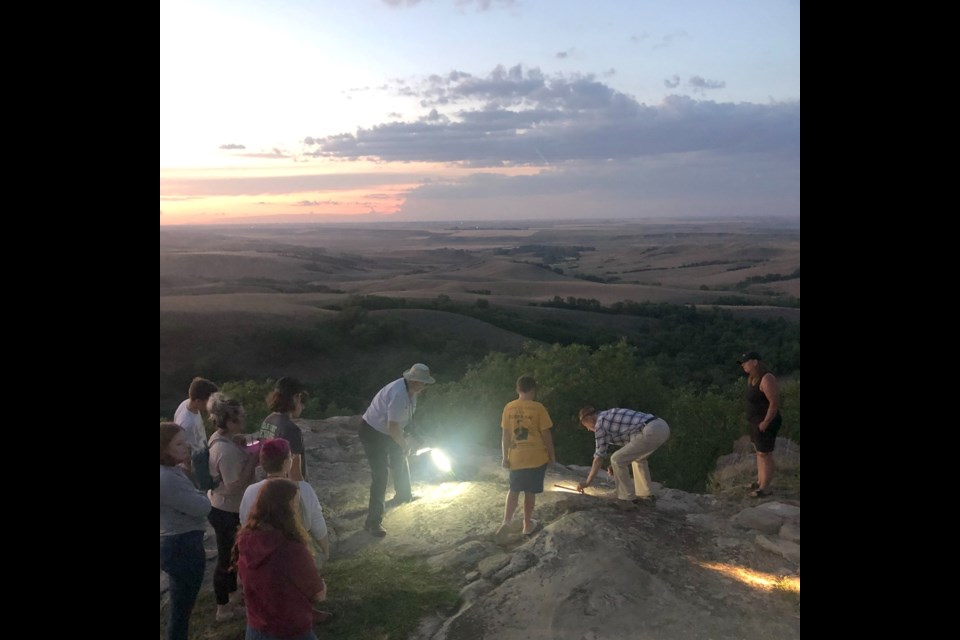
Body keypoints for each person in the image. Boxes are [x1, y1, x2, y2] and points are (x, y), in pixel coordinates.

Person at [234, 478, 328, 640]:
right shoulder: (292, 549)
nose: (298, 511)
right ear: (288, 508)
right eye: (297, 505)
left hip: (256, 630)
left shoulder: (245, 540)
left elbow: (241, 582)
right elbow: (317, 593)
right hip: (290, 629)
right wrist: (323, 586)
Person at [359, 363, 435, 537]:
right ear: (415, 381)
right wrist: (405, 444)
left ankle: (403, 494)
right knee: (381, 474)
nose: (425, 386)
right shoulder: (399, 394)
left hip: (387, 431)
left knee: (400, 458)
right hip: (372, 432)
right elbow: (393, 427)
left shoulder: (411, 392)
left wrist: (417, 438)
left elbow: (406, 420)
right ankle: (372, 522)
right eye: (423, 383)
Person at [207, 392, 259, 622]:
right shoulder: (225, 451)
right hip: (226, 511)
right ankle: (223, 608)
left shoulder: (221, 439)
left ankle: (233, 594)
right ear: (228, 421)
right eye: (239, 419)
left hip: (225, 508)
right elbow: (235, 486)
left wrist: (247, 442)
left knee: (233, 555)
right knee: (226, 559)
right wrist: (252, 460)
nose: (244, 422)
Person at [239, 438, 330, 564]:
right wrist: (325, 551)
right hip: (296, 556)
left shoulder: (250, 491)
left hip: (262, 558)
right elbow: (318, 526)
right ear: (287, 462)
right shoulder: (303, 489)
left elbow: (245, 522)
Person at [160, 422, 211, 640]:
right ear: (163, 449)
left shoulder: (173, 470)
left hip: (179, 542)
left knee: (181, 607)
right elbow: (202, 507)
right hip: (183, 546)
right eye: (179, 443)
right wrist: (204, 495)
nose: (186, 446)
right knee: (181, 610)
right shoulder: (167, 478)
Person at [495, 375, 555, 539]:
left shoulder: (509, 407)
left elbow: (505, 435)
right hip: (536, 457)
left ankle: (506, 522)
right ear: (533, 390)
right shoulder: (538, 408)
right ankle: (527, 524)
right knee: (530, 492)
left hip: (516, 456)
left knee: (514, 490)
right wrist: (551, 455)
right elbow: (546, 433)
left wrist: (504, 456)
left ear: (517, 389)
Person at [576, 406, 670, 505]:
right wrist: (615, 467)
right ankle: (646, 495)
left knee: (616, 459)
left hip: (651, 430)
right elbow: (633, 446)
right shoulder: (609, 414)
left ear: (590, 418)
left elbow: (598, 457)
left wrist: (587, 482)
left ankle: (626, 499)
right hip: (661, 426)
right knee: (637, 458)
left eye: (586, 425)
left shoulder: (600, 424)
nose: (588, 429)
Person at [737, 351, 782, 498]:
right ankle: (759, 481)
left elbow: (774, 403)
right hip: (756, 421)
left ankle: (765, 488)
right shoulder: (752, 379)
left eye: (745, 362)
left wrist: (766, 422)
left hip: (766, 421)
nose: (743, 365)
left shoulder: (767, 378)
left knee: (765, 454)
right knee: (759, 452)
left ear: (755, 362)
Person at [258, 377, 309, 481]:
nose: (303, 406)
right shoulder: (291, 430)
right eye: (302, 400)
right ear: (296, 397)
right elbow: (294, 473)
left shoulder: (268, 420)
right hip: (286, 487)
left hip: (270, 482)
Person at [173, 377, 219, 457]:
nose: (211, 404)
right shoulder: (187, 424)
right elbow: (186, 453)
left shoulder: (186, 403)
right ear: (198, 401)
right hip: (197, 460)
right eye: (209, 402)